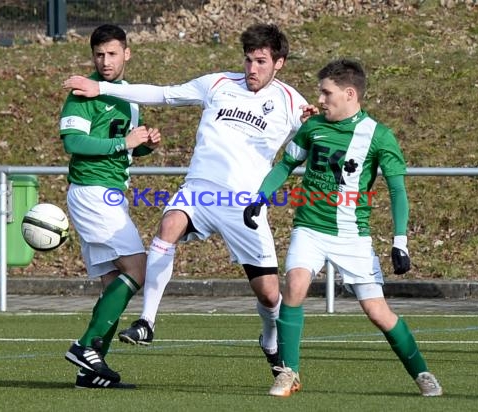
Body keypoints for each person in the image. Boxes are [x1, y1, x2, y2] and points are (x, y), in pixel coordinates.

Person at [63, 23, 313, 377]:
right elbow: (164, 94)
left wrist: (315, 124)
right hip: (199, 189)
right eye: (248, 60)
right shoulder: (217, 84)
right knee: (168, 225)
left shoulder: (293, 102)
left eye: (260, 61)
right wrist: (101, 87)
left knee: (271, 296)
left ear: (279, 63)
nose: (252, 69)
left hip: (244, 203)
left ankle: (270, 340)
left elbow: (319, 135)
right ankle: (147, 321)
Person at [244, 58, 443, 397]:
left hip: (352, 236)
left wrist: (400, 241)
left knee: (378, 312)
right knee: (294, 285)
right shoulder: (312, 128)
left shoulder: (379, 136)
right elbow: (286, 164)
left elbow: (397, 191)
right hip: (309, 226)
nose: (319, 100)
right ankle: (288, 373)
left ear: (350, 93)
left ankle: (422, 373)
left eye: (326, 93)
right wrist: (260, 197)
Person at [60, 24, 161, 389]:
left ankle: (90, 371)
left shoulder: (128, 95)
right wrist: (123, 143)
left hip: (110, 192)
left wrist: (145, 143)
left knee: (111, 284)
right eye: (99, 55)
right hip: (92, 191)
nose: (105, 61)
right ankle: (85, 346)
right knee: (138, 268)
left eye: (112, 54)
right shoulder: (82, 94)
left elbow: (124, 142)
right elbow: (74, 142)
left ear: (127, 54)